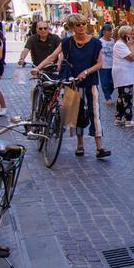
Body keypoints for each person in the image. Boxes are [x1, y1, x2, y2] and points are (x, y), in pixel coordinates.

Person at [34, 13, 111, 159]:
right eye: (78, 25)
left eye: (83, 24)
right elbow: (53, 56)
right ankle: (80, 145)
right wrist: (38, 67)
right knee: (75, 114)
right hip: (72, 82)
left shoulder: (95, 43)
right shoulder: (67, 42)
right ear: (72, 27)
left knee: (95, 114)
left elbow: (99, 63)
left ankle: (99, 148)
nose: (81, 27)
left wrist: (86, 72)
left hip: (90, 82)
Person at [112, 25, 134, 127]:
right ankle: (128, 119)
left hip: (123, 73)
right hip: (124, 74)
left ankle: (118, 117)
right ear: (125, 35)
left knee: (121, 96)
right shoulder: (120, 45)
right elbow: (131, 57)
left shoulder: (121, 44)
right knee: (127, 97)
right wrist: (132, 45)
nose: (132, 35)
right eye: (130, 33)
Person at [98, 23, 115, 105]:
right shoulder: (100, 41)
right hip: (103, 66)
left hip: (113, 65)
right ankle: (107, 97)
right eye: (108, 31)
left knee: (113, 82)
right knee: (105, 82)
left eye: (110, 31)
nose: (110, 33)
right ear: (104, 32)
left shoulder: (113, 41)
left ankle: (109, 94)